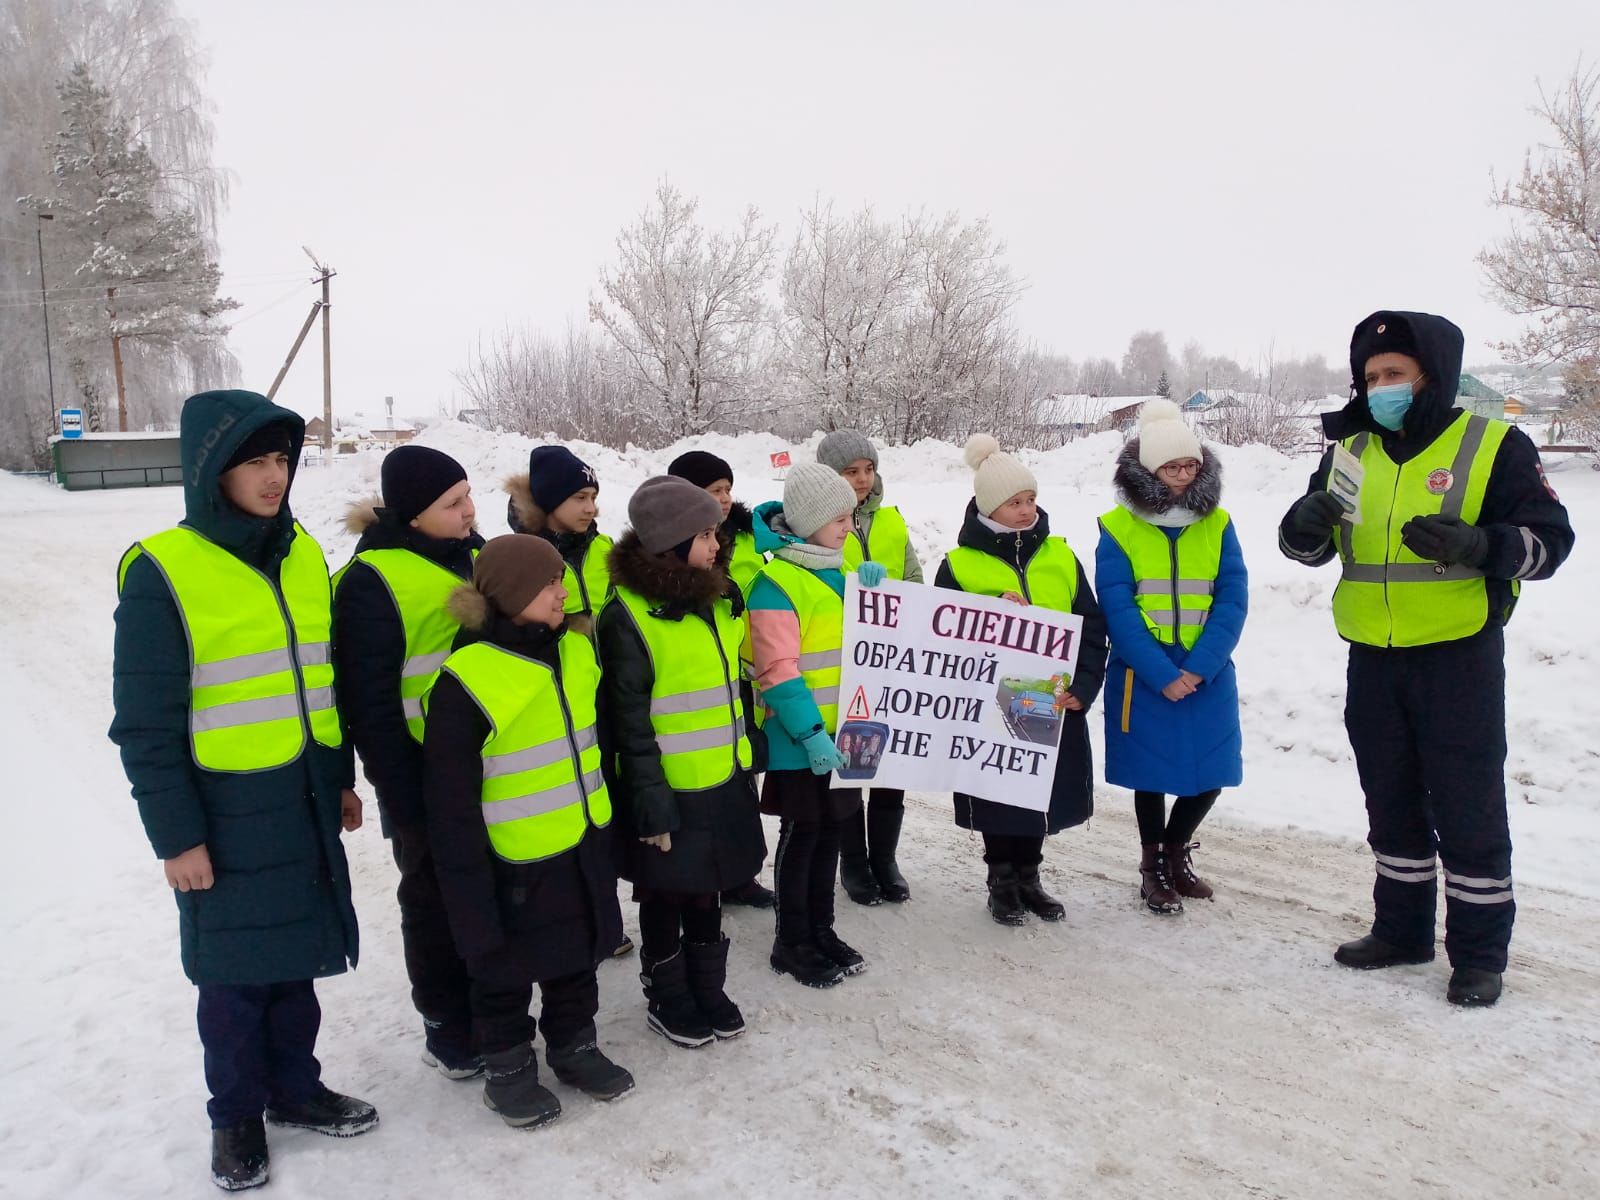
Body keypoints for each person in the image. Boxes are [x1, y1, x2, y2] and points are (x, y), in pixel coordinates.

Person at [110, 390, 376, 1192]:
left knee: (295, 963)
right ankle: (234, 1118)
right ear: (210, 470)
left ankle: (294, 1088)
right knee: (232, 981)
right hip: (222, 815)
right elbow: (145, 725)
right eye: (253, 461)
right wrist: (176, 838)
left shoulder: (300, 557)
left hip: (299, 799)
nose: (273, 476)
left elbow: (318, 685)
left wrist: (338, 781)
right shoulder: (164, 570)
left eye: (281, 459)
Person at [1278, 310, 1574, 1007]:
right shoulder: (1351, 450)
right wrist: (1301, 525)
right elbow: (1308, 550)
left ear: (1430, 377)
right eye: (1370, 377)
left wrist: (1480, 547)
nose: (1380, 388)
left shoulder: (1494, 444)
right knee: (1391, 800)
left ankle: (1477, 955)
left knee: (1468, 808)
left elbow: (1550, 543)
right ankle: (1402, 930)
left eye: (1394, 375)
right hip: (1373, 661)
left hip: (1457, 659)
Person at [422, 535, 633, 1126]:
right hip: (510, 859)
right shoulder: (467, 679)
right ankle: (509, 1073)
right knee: (503, 971)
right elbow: (450, 801)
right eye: (549, 585)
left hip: (580, 838)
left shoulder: (575, 650)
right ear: (513, 594)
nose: (564, 592)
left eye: (562, 581)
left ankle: (575, 1048)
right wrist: (467, 886)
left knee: (577, 957)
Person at [598, 476, 768, 1046]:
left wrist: (747, 757)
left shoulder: (715, 601)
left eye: (715, 532)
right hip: (667, 790)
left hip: (719, 779)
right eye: (703, 534)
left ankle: (707, 986)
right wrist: (650, 806)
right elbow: (629, 724)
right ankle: (668, 994)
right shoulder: (629, 618)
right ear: (670, 542)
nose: (716, 543)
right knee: (666, 893)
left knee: (709, 887)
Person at [332, 444, 484, 1077]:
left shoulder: (477, 555)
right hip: (422, 772)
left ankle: (490, 1000)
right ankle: (446, 1022)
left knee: (485, 889)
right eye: (453, 503)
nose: (470, 510)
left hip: (494, 763)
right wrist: (399, 792)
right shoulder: (371, 581)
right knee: (432, 896)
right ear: (414, 514)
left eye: (469, 495)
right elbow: (369, 702)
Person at [935, 435, 1108, 926]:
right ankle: (1001, 880)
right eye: (1015, 502)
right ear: (990, 508)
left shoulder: (1060, 556)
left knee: (1040, 793)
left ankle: (1030, 876)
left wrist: (1084, 685)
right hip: (991, 702)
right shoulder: (960, 565)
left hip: (1052, 698)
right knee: (998, 792)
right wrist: (993, 617)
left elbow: (1091, 628)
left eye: (1031, 499)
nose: (1026, 509)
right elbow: (943, 638)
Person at [1096, 400, 1247, 914]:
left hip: (1206, 669)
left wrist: (1201, 666)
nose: (1185, 476)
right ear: (1149, 471)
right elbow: (1117, 607)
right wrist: (1161, 672)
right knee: (1151, 775)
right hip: (1146, 672)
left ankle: (1176, 849)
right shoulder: (1119, 528)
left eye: (1192, 466)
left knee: (1213, 770)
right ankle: (1153, 865)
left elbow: (1233, 597)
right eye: (1173, 467)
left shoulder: (1218, 523)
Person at [745, 463, 888, 986]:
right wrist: (809, 734)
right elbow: (778, 673)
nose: (848, 526)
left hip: (846, 738)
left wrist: (876, 597)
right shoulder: (775, 584)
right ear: (806, 522)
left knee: (831, 832)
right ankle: (791, 939)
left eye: (850, 516)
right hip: (801, 741)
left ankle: (821, 929)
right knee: (802, 834)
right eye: (837, 517)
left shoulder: (839, 572)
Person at [816, 430, 922, 906]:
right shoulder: (816, 523)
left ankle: (885, 858)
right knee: (854, 764)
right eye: (850, 472)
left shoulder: (893, 521)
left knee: (890, 764)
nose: (862, 480)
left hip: (891, 663)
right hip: (845, 666)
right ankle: (853, 862)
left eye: (868, 469)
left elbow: (916, 582)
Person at [668, 449, 777, 911]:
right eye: (715, 491)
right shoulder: (677, 547)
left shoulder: (750, 538)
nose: (726, 498)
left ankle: (740, 875)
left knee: (741, 777)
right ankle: (696, 884)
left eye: (728, 489)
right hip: (701, 675)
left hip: (743, 668)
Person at [505, 445, 613, 637]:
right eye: (580, 498)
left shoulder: (606, 547)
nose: (590, 508)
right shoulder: (522, 559)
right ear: (550, 499)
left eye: (593, 498)